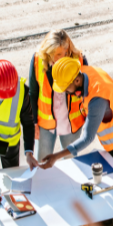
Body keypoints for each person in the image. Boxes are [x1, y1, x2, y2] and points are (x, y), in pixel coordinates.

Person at [40, 57, 113, 226]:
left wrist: (57, 156)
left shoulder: (97, 98)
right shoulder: (87, 72)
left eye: (66, 87)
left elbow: (87, 138)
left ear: (76, 80)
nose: (65, 91)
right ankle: (108, 215)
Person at [29, 30, 87, 161]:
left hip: (71, 122)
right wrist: (34, 122)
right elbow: (33, 92)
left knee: (71, 163)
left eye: (65, 52)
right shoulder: (37, 60)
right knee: (42, 162)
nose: (62, 57)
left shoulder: (79, 60)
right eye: (58, 54)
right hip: (45, 123)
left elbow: (87, 91)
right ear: (48, 52)